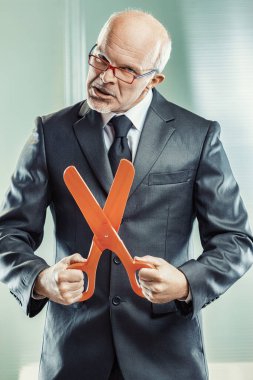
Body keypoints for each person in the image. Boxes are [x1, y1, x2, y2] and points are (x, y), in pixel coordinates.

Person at [0, 9, 252, 380]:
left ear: (154, 80)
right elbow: (9, 235)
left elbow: (236, 241)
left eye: (126, 70)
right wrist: (39, 280)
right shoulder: (50, 134)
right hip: (72, 358)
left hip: (167, 360)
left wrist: (185, 283)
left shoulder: (198, 137)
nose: (104, 77)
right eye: (100, 58)